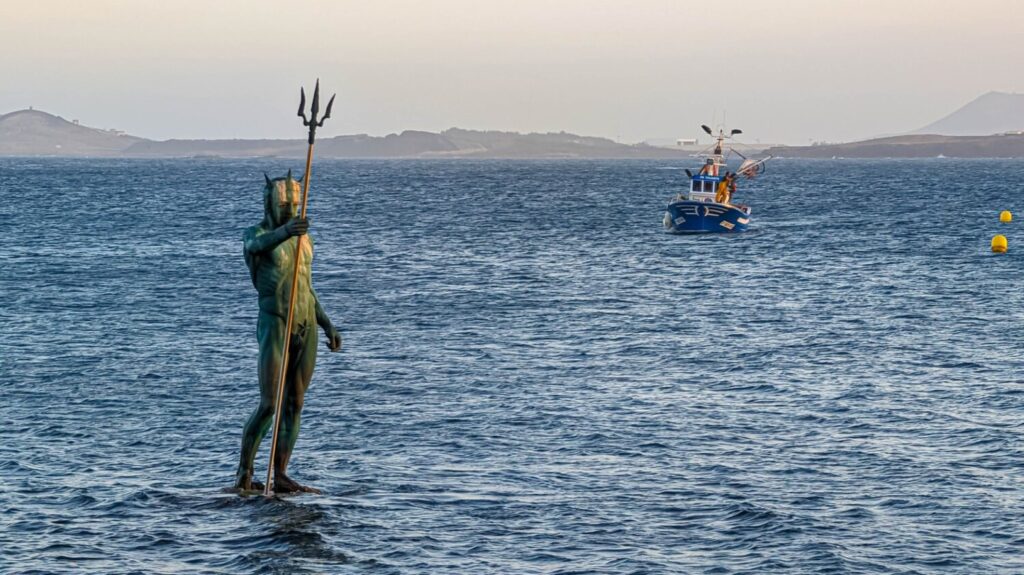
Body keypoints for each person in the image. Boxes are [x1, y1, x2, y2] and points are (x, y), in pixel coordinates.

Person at [234, 172, 342, 493]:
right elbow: (256, 246)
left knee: (295, 402)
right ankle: (244, 474)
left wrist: (327, 323)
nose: (292, 211)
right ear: (269, 204)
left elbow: (306, 286)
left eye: (295, 205)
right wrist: (284, 232)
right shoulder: (256, 234)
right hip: (276, 323)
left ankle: (280, 473)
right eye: (285, 205)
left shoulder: (304, 240)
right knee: (269, 403)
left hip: (305, 324)